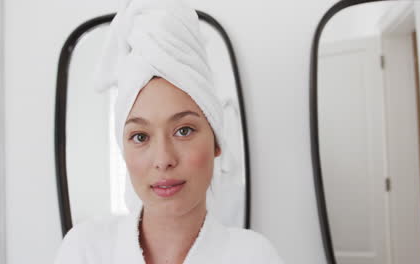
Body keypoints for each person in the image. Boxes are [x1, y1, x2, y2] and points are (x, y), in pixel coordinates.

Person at [54, 0, 285, 263]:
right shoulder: (86, 249)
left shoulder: (253, 256)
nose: (163, 159)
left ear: (217, 141)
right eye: (140, 137)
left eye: (184, 130)